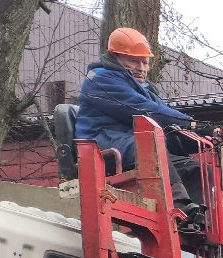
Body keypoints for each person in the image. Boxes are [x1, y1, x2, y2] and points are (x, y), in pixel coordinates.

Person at [76, 28, 204, 218]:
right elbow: (146, 111)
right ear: (115, 57)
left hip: (131, 142)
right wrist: (191, 124)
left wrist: (199, 136)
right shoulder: (100, 80)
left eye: (145, 62)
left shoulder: (144, 88)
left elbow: (167, 124)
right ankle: (179, 208)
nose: (141, 68)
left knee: (194, 169)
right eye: (134, 61)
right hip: (104, 143)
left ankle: (200, 215)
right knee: (150, 148)